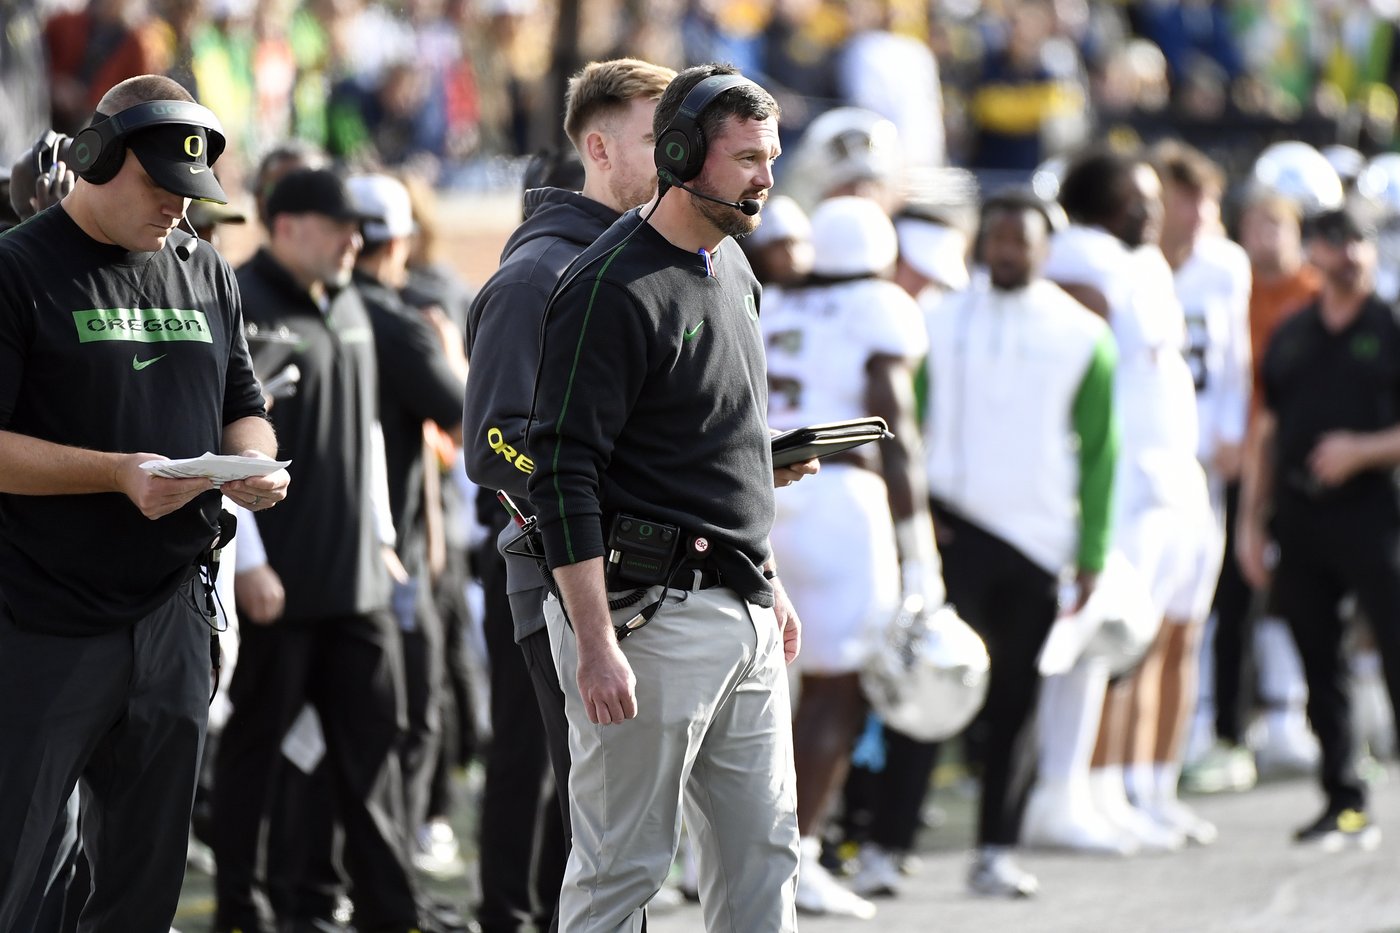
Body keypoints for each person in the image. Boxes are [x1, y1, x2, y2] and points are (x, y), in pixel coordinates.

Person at [0, 73, 285, 932]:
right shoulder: (18, 269)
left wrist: (250, 465)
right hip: (42, 620)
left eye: (191, 193)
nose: (177, 209)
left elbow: (248, 405)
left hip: (172, 616)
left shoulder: (204, 267)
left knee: (143, 883)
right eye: (161, 188)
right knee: (19, 874)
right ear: (95, 157)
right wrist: (117, 472)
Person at [526, 63, 800, 933]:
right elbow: (559, 471)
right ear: (681, 154)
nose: (766, 178)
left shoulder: (734, 267)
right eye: (749, 158)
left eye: (772, 156)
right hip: (649, 619)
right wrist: (596, 642)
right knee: (622, 874)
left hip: (743, 609)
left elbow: (732, 446)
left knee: (765, 858)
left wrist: (770, 582)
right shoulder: (609, 286)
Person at [463, 57, 677, 933]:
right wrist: (605, 513)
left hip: (653, 579)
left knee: (619, 834)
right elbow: (496, 443)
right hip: (565, 585)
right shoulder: (535, 277)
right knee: (590, 831)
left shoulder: (653, 259)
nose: (685, 154)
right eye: (663, 139)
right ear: (597, 146)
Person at [210, 167, 429, 933]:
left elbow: (366, 430)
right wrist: (249, 558)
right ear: (288, 224)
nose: (355, 242)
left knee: (375, 755)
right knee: (257, 758)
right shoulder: (238, 300)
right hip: (281, 585)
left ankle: (389, 912)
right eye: (339, 226)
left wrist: (382, 535)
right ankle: (242, 909)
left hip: (358, 579)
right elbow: (221, 442)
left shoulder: (353, 305)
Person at [919, 189, 1118, 895]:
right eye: (996, 237)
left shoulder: (1083, 332)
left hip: (1038, 540)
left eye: (1020, 240)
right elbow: (905, 423)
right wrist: (915, 514)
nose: (1006, 250)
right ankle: (881, 843)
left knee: (1016, 702)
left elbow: (1100, 452)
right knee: (928, 690)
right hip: (951, 529)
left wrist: (1092, 550)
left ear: (1045, 248)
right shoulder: (936, 319)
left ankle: (996, 848)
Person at [761, 195, 936, 919]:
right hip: (840, 495)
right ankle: (796, 851)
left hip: (762, 493)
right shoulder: (880, 305)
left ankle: (730, 851)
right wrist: (919, 546)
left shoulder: (773, 300)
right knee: (836, 685)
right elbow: (894, 421)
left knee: (764, 689)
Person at [1238, 204, 1400, 849]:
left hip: (1375, 513)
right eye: (1335, 241)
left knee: (1394, 650)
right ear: (1314, 253)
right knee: (1317, 660)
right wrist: (1250, 524)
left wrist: (1363, 449)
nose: (1349, 252)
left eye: (1357, 240)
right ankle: (1344, 798)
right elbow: (1267, 433)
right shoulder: (1292, 333)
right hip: (1303, 517)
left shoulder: (1389, 326)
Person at [345, 169, 468, 876]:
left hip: (302, 549)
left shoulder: (291, 303)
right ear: (397, 242)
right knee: (408, 712)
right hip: (395, 556)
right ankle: (385, 874)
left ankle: (326, 878)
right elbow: (469, 423)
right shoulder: (397, 321)